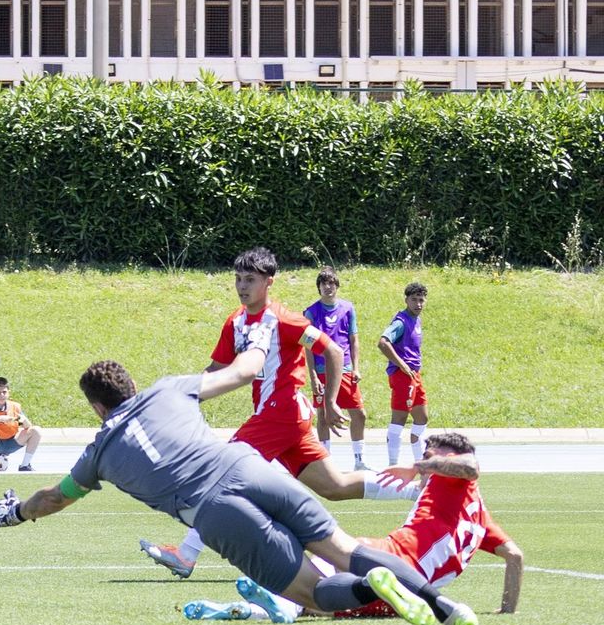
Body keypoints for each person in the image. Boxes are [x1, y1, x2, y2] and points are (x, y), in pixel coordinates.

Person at [0, 356, 479, 625]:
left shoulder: (97, 455)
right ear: (132, 386)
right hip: (251, 467)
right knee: (344, 548)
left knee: (312, 596)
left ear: (97, 407)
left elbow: (52, 498)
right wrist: (263, 331)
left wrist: (15, 512)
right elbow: (243, 371)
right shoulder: (167, 389)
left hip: (215, 511)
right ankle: (448, 609)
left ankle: (371, 587)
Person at [140, 248, 420, 579]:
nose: (242, 286)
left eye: (250, 280)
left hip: (281, 411)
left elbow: (331, 350)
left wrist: (329, 403)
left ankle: (186, 554)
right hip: (282, 419)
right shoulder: (236, 321)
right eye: (238, 279)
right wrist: (182, 399)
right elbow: (217, 369)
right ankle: (423, 491)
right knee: (336, 486)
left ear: (269, 282)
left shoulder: (283, 319)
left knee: (221, 473)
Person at [184, 432, 523, 623]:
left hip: (387, 558)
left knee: (319, 569)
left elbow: (470, 466)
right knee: (320, 602)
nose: (427, 457)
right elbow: (515, 556)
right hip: (410, 596)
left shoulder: (449, 478)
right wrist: (506, 609)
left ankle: (275, 605)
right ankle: (256, 610)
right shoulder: (481, 519)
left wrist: (422, 466)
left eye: (435, 453)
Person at [302, 266, 369, 471]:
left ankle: (359, 461)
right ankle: (326, 462)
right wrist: (312, 375)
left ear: (337, 285)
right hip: (322, 370)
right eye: (323, 283)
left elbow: (353, 339)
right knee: (323, 416)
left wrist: (356, 368)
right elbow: (307, 346)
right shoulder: (311, 312)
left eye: (331, 283)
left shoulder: (348, 308)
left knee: (359, 414)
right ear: (319, 287)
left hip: (345, 369)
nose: (328, 287)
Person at [379, 281, 429, 465]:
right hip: (402, 375)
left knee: (422, 417)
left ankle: (420, 462)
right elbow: (383, 342)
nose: (418, 304)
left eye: (421, 300)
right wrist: (401, 364)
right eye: (414, 299)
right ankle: (393, 464)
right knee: (399, 417)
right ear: (406, 300)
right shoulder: (401, 321)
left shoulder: (417, 319)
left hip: (414, 374)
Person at [0, 376, 42, 472]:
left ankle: (25, 465)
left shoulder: (15, 406)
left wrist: (23, 420)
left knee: (36, 430)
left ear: (9, 392)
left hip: (11, 442)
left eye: (4, 392)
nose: (1, 395)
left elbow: (27, 427)